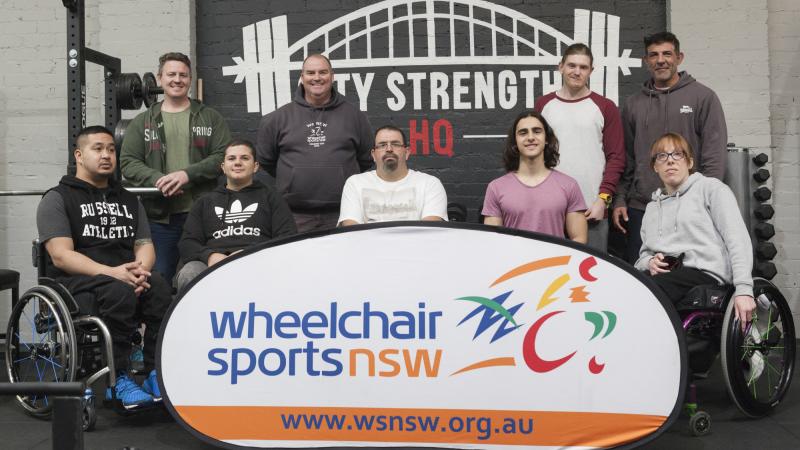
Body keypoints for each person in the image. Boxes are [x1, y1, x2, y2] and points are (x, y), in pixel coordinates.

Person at [37, 126, 170, 409]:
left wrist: (140, 273)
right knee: (118, 291)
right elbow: (61, 256)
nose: (107, 155)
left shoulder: (129, 199)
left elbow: (144, 245)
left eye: (111, 149)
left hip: (122, 277)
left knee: (158, 285)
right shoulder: (57, 198)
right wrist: (114, 273)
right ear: (79, 155)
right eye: (97, 148)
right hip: (76, 282)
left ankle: (154, 372)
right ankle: (118, 379)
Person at [612, 32, 728, 263]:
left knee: (687, 276)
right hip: (643, 207)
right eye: (653, 55)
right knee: (642, 275)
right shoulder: (634, 104)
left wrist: (705, 199)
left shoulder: (703, 97)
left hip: (690, 208)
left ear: (679, 57)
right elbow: (628, 158)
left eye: (667, 54)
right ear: (646, 61)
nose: (661, 60)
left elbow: (714, 156)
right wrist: (621, 199)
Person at [120, 52, 232, 284]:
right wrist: (158, 179)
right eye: (171, 74)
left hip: (204, 215)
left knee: (207, 277)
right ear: (160, 79)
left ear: (190, 80)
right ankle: (159, 323)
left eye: (183, 75)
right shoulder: (143, 121)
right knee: (158, 278)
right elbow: (128, 162)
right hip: (160, 218)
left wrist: (186, 175)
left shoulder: (210, 118)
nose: (177, 80)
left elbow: (223, 156)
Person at [635, 132, 755, 328]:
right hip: (667, 274)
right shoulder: (651, 208)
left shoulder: (711, 189)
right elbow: (643, 256)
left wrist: (744, 289)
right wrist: (650, 262)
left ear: (689, 162)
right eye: (662, 156)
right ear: (655, 166)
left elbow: (737, 239)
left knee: (651, 290)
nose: (670, 161)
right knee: (627, 285)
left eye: (677, 155)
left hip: (704, 271)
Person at [256, 53, 373, 232]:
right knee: (298, 260)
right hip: (294, 214)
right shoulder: (278, 118)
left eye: (323, 72)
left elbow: (366, 159)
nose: (317, 78)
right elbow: (266, 161)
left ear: (332, 76)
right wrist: (293, 178)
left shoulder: (355, 116)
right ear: (302, 78)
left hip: (345, 212)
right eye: (310, 73)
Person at [534, 43, 625, 251]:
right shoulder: (543, 105)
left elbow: (616, 157)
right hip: (549, 208)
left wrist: (603, 199)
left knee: (590, 276)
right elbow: (534, 155)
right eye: (572, 65)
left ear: (591, 71)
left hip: (591, 208)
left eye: (583, 67)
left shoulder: (605, 107)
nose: (577, 72)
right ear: (561, 67)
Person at [176, 139, 297, 293]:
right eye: (231, 158)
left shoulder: (272, 198)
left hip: (259, 261)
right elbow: (187, 243)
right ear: (223, 167)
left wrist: (252, 253)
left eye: (244, 158)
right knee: (190, 272)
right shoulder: (204, 202)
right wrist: (210, 256)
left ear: (255, 166)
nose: (237, 163)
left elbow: (287, 238)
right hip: (212, 264)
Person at [482, 111, 588, 243]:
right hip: (515, 263)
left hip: (556, 263)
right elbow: (493, 241)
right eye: (523, 133)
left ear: (546, 139)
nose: (530, 137)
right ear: (515, 141)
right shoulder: (496, 188)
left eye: (537, 131)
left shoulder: (569, 185)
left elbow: (579, 239)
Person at [338, 125, 448, 225]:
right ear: (373, 155)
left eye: (395, 144)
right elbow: (351, 232)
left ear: (407, 152)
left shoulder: (430, 184)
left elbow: (430, 232)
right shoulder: (355, 184)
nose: (389, 149)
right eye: (382, 145)